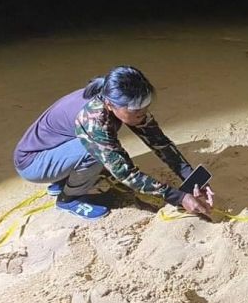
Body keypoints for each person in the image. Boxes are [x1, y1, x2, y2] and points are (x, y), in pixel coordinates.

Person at [13, 65, 214, 219]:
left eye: (145, 108)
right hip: (34, 163)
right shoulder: (93, 120)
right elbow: (125, 172)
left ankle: (64, 180)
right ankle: (69, 199)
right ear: (110, 105)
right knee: (95, 152)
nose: (142, 115)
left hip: (58, 150)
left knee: (101, 150)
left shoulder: (122, 102)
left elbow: (159, 142)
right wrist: (179, 197)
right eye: (136, 111)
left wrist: (193, 180)